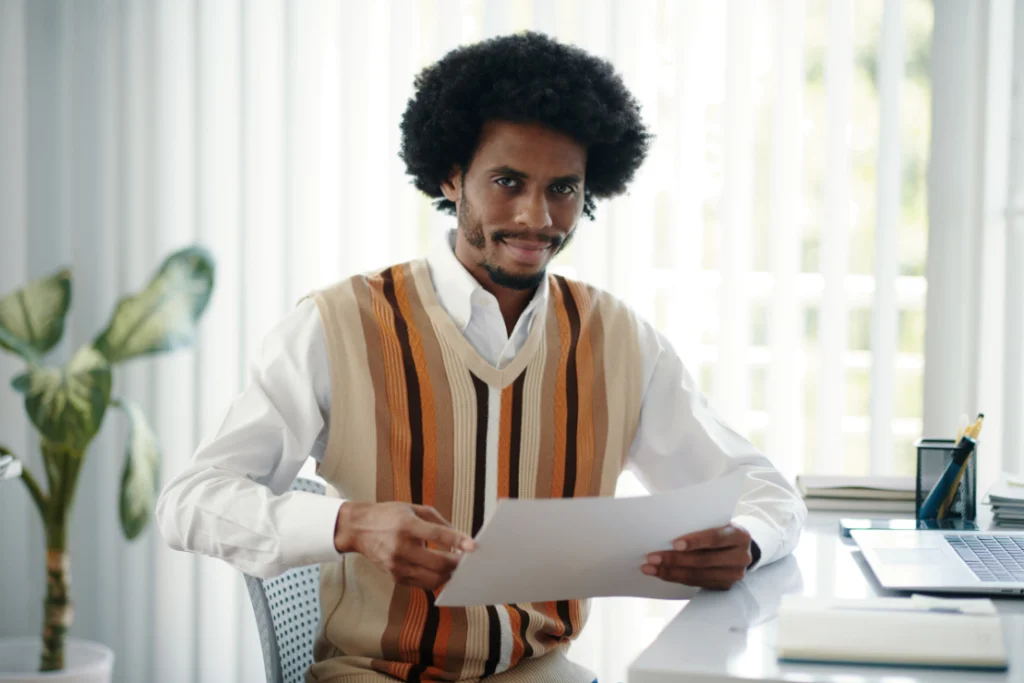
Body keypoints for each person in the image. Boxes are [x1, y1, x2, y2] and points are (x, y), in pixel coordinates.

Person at [156, 32, 806, 683]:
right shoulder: (337, 325)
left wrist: (747, 541)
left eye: (563, 188)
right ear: (450, 176)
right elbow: (189, 501)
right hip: (374, 671)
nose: (538, 216)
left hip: (538, 670)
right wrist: (349, 524)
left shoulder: (617, 340)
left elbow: (767, 490)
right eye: (507, 181)